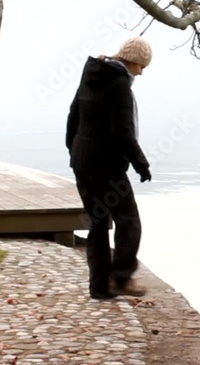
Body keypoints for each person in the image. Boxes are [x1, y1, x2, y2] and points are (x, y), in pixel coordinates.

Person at [66, 36, 153, 299]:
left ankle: (99, 287)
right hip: (106, 166)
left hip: (83, 162)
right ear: (133, 61)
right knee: (129, 222)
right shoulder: (119, 84)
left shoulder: (92, 74)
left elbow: (74, 114)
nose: (143, 72)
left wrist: (74, 150)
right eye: (142, 66)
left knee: (98, 223)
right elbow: (123, 132)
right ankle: (122, 277)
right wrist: (142, 164)